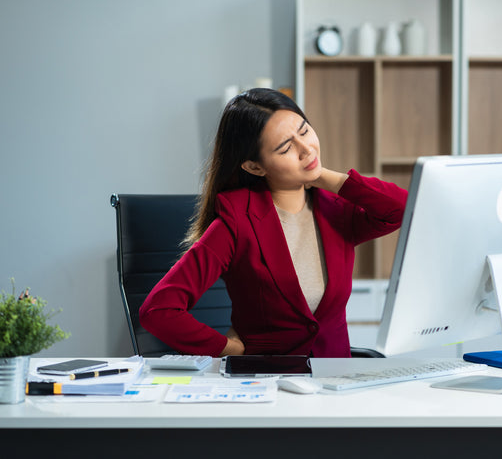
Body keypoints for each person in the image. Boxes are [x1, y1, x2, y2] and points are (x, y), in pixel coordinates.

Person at [139, 88, 407, 358]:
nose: (306, 150)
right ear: (255, 167)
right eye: (286, 148)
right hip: (267, 384)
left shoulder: (336, 210)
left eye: (304, 131)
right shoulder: (237, 222)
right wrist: (226, 349)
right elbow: (158, 310)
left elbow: (402, 209)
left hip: (335, 382)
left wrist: (327, 178)